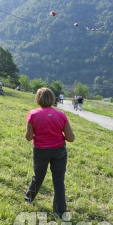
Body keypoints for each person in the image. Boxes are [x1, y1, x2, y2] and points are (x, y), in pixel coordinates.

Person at [24, 87, 75, 218]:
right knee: (59, 181)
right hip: (59, 151)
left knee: (38, 176)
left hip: (40, 151)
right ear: (52, 98)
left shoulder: (33, 114)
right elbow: (71, 138)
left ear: (38, 99)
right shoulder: (61, 115)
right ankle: (60, 211)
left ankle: (28, 199)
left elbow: (29, 137)